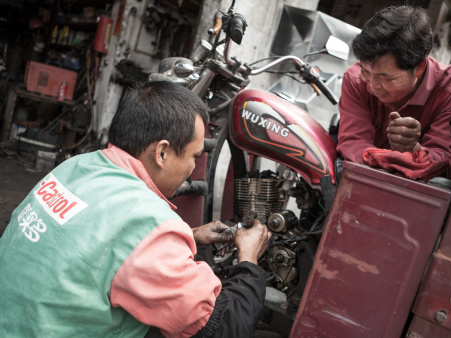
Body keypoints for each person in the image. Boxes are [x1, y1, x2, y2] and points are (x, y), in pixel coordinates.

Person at [0, 81, 271, 337]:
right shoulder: (148, 224)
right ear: (162, 152)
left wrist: (191, 234)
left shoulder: (76, 166)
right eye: (194, 156)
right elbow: (224, 328)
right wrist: (248, 259)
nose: (192, 168)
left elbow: (97, 234)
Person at [336, 5, 451, 179]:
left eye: (386, 77)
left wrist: (413, 149)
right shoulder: (355, 79)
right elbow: (353, 145)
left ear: (419, 68)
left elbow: (442, 163)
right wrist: (408, 160)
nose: (373, 85)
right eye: (366, 71)